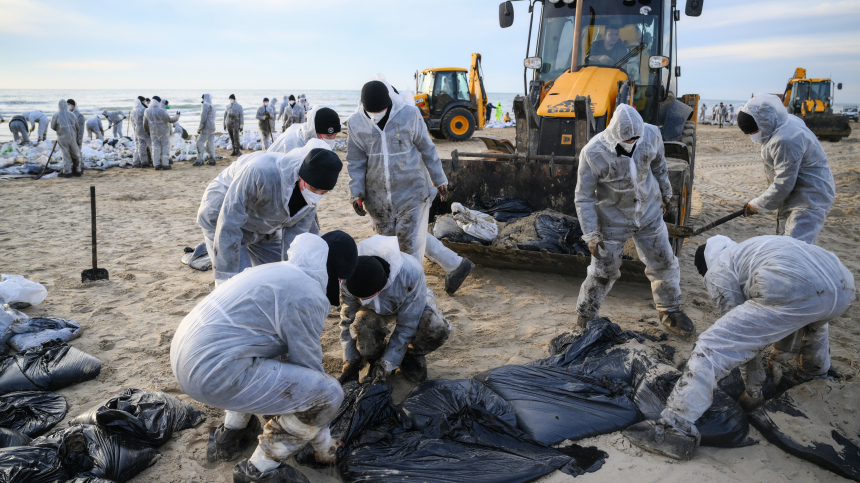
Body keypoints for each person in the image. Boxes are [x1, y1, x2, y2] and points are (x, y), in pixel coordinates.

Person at [624, 235, 855, 461]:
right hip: (842, 286)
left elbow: (740, 345)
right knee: (813, 326)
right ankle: (816, 376)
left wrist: (754, 389)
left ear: (706, 266)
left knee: (712, 346)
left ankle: (674, 427)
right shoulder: (750, 249)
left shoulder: (719, 269)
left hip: (794, 285)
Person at [171, 232, 358, 481]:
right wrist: (323, 444)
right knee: (329, 393)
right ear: (335, 273)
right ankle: (258, 469)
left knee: (253, 356)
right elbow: (310, 373)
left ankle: (231, 435)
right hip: (213, 373)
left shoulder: (277, 271)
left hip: (186, 358)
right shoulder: (306, 293)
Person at [347, 78, 475, 295]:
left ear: (389, 103)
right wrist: (356, 192)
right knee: (390, 248)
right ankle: (455, 264)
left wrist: (439, 179)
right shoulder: (355, 123)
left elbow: (427, 148)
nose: (376, 115)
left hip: (412, 193)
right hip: (378, 200)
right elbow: (356, 161)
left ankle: (414, 298)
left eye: (381, 110)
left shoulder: (409, 115)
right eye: (371, 112)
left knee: (409, 248)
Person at [574, 103, 693, 334]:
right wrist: (591, 234)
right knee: (603, 272)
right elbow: (584, 197)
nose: (631, 144)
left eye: (634, 140)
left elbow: (659, 166)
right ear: (614, 135)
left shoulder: (652, 134)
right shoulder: (593, 152)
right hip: (612, 220)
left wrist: (666, 193)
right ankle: (585, 317)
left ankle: (670, 311)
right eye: (626, 141)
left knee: (664, 262)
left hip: (649, 213)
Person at [197, 140, 342, 286]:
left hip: (262, 227)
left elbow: (295, 239)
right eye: (313, 188)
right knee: (239, 283)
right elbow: (229, 222)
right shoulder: (261, 172)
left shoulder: (311, 201)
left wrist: (292, 272)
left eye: (323, 192)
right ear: (301, 176)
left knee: (278, 277)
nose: (316, 194)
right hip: (221, 214)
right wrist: (226, 278)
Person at [338, 235, 453, 385]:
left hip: (410, 300)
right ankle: (375, 358)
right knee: (362, 327)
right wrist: (350, 362)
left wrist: (387, 364)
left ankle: (409, 355)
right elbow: (347, 320)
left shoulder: (410, 272)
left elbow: (407, 325)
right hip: (372, 310)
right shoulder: (348, 278)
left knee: (436, 327)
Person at [736, 94, 835, 244]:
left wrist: (757, 205)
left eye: (754, 132)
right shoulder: (784, 122)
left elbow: (784, 182)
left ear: (764, 121)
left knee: (796, 246)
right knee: (784, 242)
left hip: (810, 196)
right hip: (796, 192)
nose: (753, 136)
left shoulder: (786, 140)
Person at [269, 107, 340, 154]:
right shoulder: (294, 145)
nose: (332, 139)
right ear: (315, 132)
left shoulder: (313, 138)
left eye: (335, 135)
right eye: (329, 135)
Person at [143, 95, 181, 170]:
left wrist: (147, 131)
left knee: (155, 148)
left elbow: (145, 123)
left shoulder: (147, 110)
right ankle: (165, 164)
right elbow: (170, 120)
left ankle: (156, 164)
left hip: (153, 132)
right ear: (158, 102)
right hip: (163, 132)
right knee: (165, 148)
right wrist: (177, 116)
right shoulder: (162, 111)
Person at [50, 99, 82, 178]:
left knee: (65, 153)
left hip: (62, 136)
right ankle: (77, 170)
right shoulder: (72, 114)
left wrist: (61, 129)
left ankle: (67, 171)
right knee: (75, 153)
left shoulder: (56, 115)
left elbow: (53, 126)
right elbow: (77, 126)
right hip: (72, 136)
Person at [195, 93, 216, 166]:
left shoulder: (205, 105)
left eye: (202, 98)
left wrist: (200, 128)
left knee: (199, 142)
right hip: (212, 126)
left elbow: (203, 118)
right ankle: (212, 159)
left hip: (206, 127)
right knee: (210, 143)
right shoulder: (212, 106)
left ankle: (200, 160)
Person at [130, 99, 151, 168]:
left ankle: (143, 162)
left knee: (140, 146)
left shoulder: (133, 111)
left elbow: (132, 122)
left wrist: (134, 130)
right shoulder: (144, 109)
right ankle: (154, 161)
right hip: (143, 128)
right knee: (150, 144)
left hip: (137, 129)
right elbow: (147, 120)